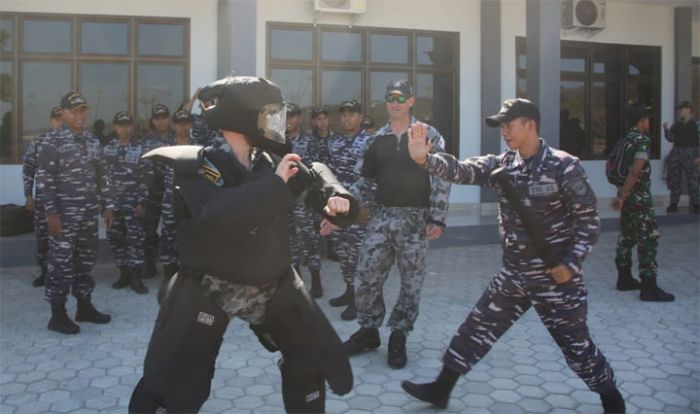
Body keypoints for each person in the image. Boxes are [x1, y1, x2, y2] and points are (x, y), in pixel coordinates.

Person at [128, 76, 357, 413]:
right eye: (269, 114)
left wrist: (339, 200)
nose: (277, 123)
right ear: (240, 116)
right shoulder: (197, 166)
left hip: (272, 284)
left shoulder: (269, 164)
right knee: (172, 384)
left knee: (313, 362)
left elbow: (316, 179)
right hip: (210, 288)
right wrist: (277, 185)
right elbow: (215, 217)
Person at [400, 98, 626, 414]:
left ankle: (611, 398)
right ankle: (441, 388)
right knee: (475, 329)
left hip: (555, 277)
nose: (504, 131)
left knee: (577, 349)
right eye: (501, 126)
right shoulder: (502, 165)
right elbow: (463, 170)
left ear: (530, 124)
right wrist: (426, 160)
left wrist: (571, 264)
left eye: (509, 124)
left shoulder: (563, 166)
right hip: (515, 275)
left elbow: (588, 221)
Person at [343, 80, 451, 369]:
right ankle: (368, 331)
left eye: (401, 97)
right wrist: (340, 207)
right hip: (382, 217)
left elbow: (441, 176)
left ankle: (399, 334)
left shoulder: (428, 134)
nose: (395, 102)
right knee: (366, 275)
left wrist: (438, 216)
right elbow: (362, 181)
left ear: (411, 101)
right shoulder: (375, 139)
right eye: (390, 97)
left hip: (415, 220)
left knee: (411, 281)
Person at [36, 92, 114, 335]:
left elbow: (103, 174)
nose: (79, 115)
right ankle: (57, 316)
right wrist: (51, 214)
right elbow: (45, 180)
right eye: (74, 111)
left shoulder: (92, 140)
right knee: (60, 264)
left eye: (82, 110)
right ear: (63, 113)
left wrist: (108, 204)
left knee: (85, 260)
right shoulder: (51, 141)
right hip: (63, 216)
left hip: (88, 213)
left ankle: (84, 307)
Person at [612, 104, 675, 302]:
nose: (648, 122)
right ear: (641, 121)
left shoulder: (624, 139)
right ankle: (649, 287)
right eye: (647, 119)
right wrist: (624, 195)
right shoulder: (641, 140)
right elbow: (635, 171)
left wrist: (622, 196)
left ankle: (624, 278)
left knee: (627, 235)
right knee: (647, 239)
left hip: (627, 196)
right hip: (638, 196)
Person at [322, 99, 374, 320]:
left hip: (359, 209)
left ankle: (360, 301)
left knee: (359, 256)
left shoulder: (370, 142)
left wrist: (367, 207)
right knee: (344, 254)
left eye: (352, 114)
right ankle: (349, 291)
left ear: (360, 117)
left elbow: (373, 177)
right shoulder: (334, 143)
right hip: (340, 208)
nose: (346, 118)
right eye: (343, 114)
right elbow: (329, 176)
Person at [103, 111, 149, 294]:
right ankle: (124, 275)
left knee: (135, 241)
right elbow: (104, 178)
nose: (125, 129)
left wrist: (142, 201)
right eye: (121, 125)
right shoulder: (107, 149)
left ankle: (136, 278)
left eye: (128, 125)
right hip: (114, 205)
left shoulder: (141, 149)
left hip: (133, 204)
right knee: (116, 240)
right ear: (115, 127)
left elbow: (147, 177)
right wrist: (107, 206)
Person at [286, 102, 324, 298]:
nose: (288, 120)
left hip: (303, 199)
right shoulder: (278, 141)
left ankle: (316, 282)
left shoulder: (309, 141)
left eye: (292, 116)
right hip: (284, 200)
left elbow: (316, 170)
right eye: (285, 116)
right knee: (290, 242)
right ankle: (297, 283)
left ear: (299, 118)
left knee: (309, 240)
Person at [22, 105, 62, 287]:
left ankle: (68, 275)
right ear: (51, 120)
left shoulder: (78, 142)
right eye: (57, 118)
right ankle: (45, 272)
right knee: (43, 239)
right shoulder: (39, 142)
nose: (60, 122)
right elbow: (29, 169)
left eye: (63, 117)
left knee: (68, 240)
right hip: (44, 202)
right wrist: (28, 195)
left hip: (69, 203)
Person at [159, 109, 195, 281]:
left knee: (189, 234)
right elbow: (158, 173)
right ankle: (169, 272)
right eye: (179, 123)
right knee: (168, 235)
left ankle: (187, 272)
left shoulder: (198, 147)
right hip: (170, 198)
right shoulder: (165, 147)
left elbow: (208, 172)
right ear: (174, 125)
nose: (183, 127)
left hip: (191, 199)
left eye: (186, 123)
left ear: (191, 125)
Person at [141, 104, 174, 278]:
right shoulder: (147, 140)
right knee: (149, 230)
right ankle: (150, 265)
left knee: (170, 230)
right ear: (153, 121)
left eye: (164, 117)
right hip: (153, 191)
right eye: (157, 118)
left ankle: (170, 266)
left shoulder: (176, 137)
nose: (161, 121)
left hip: (172, 191)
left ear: (169, 119)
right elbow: (144, 168)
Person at [663, 100, 699, 214]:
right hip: (676, 154)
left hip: (691, 154)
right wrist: (666, 129)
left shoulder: (696, 125)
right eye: (678, 109)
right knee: (675, 180)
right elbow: (671, 139)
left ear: (688, 109)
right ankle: (674, 204)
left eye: (681, 109)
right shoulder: (676, 125)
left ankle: (697, 204)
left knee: (692, 180)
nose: (679, 111)